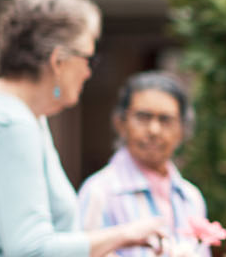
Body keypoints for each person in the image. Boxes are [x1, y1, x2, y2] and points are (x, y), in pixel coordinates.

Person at [0, 0, 163, 256]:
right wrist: (124, 235)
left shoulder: (14, 112)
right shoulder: (11, 125)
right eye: (87, 59)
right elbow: (31, 250)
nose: (87, 72)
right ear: (58, 61)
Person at [78, 72, 209, 257]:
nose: (154, 130)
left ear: (182, 130)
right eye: (143, 117)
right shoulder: (99, 192)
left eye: (165, 120)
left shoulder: (190, 198)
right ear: (120, 123)